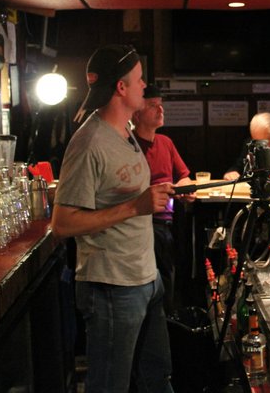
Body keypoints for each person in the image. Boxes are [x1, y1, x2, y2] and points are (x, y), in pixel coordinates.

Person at [51, 45, 175, 393]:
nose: (144, 85)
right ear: (121, 88)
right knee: (109, 386)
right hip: (112, 288)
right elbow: (62, 224)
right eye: (138, 79)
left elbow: (122, 190)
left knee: (157, 377)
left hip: (145, 278)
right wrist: (136, 207)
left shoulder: (126, 131)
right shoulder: (89, 142)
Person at [132, 84, 196, 312]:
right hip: (141, 222)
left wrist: (184, 188)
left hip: (167, 221)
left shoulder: (165, 142)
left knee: (171, 277)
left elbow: (186, 176)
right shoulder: (128, 145)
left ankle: (167, 321)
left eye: (161, 105)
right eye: (153, 106)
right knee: (161, 281)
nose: (160, 110)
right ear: (137, 114)